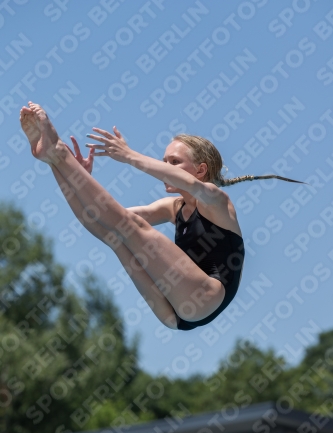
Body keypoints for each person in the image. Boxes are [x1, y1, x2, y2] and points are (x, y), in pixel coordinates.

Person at [19, 102, 301, 331]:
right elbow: (101, 219)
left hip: (205, 297)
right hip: (175, 315)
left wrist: (129, 155)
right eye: (164, 160)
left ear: (200, 170)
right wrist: (77, 178)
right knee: (112, 234)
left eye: (174, 162)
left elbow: (134, 218)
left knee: (131, 227)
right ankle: (53, 159)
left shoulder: (216, 199)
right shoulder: (172, 207)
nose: (165, 166)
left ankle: (59, 154)